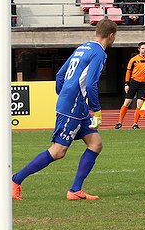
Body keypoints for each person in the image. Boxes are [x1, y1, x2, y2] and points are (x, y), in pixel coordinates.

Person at [11, 19, 116, 201]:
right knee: (58, 150)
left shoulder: (83, 47)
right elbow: (91, 84)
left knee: (96, 144)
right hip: (74, 105)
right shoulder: (99, 53)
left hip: (75, 104)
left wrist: (65, 94)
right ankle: (15, 180)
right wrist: (96, 110)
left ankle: (75, 190)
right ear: (111, 35)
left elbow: (60, 75)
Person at [115, 42, 145, 129]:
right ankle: (120, 122)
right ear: (139, 49)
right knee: (127, 102)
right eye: (143, 48)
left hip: (144, 84)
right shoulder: (133, 60)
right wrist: (126, 84)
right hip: (134, 83)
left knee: (139, 104)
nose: (144, 50)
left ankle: (135, 124)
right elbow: (128, 72)